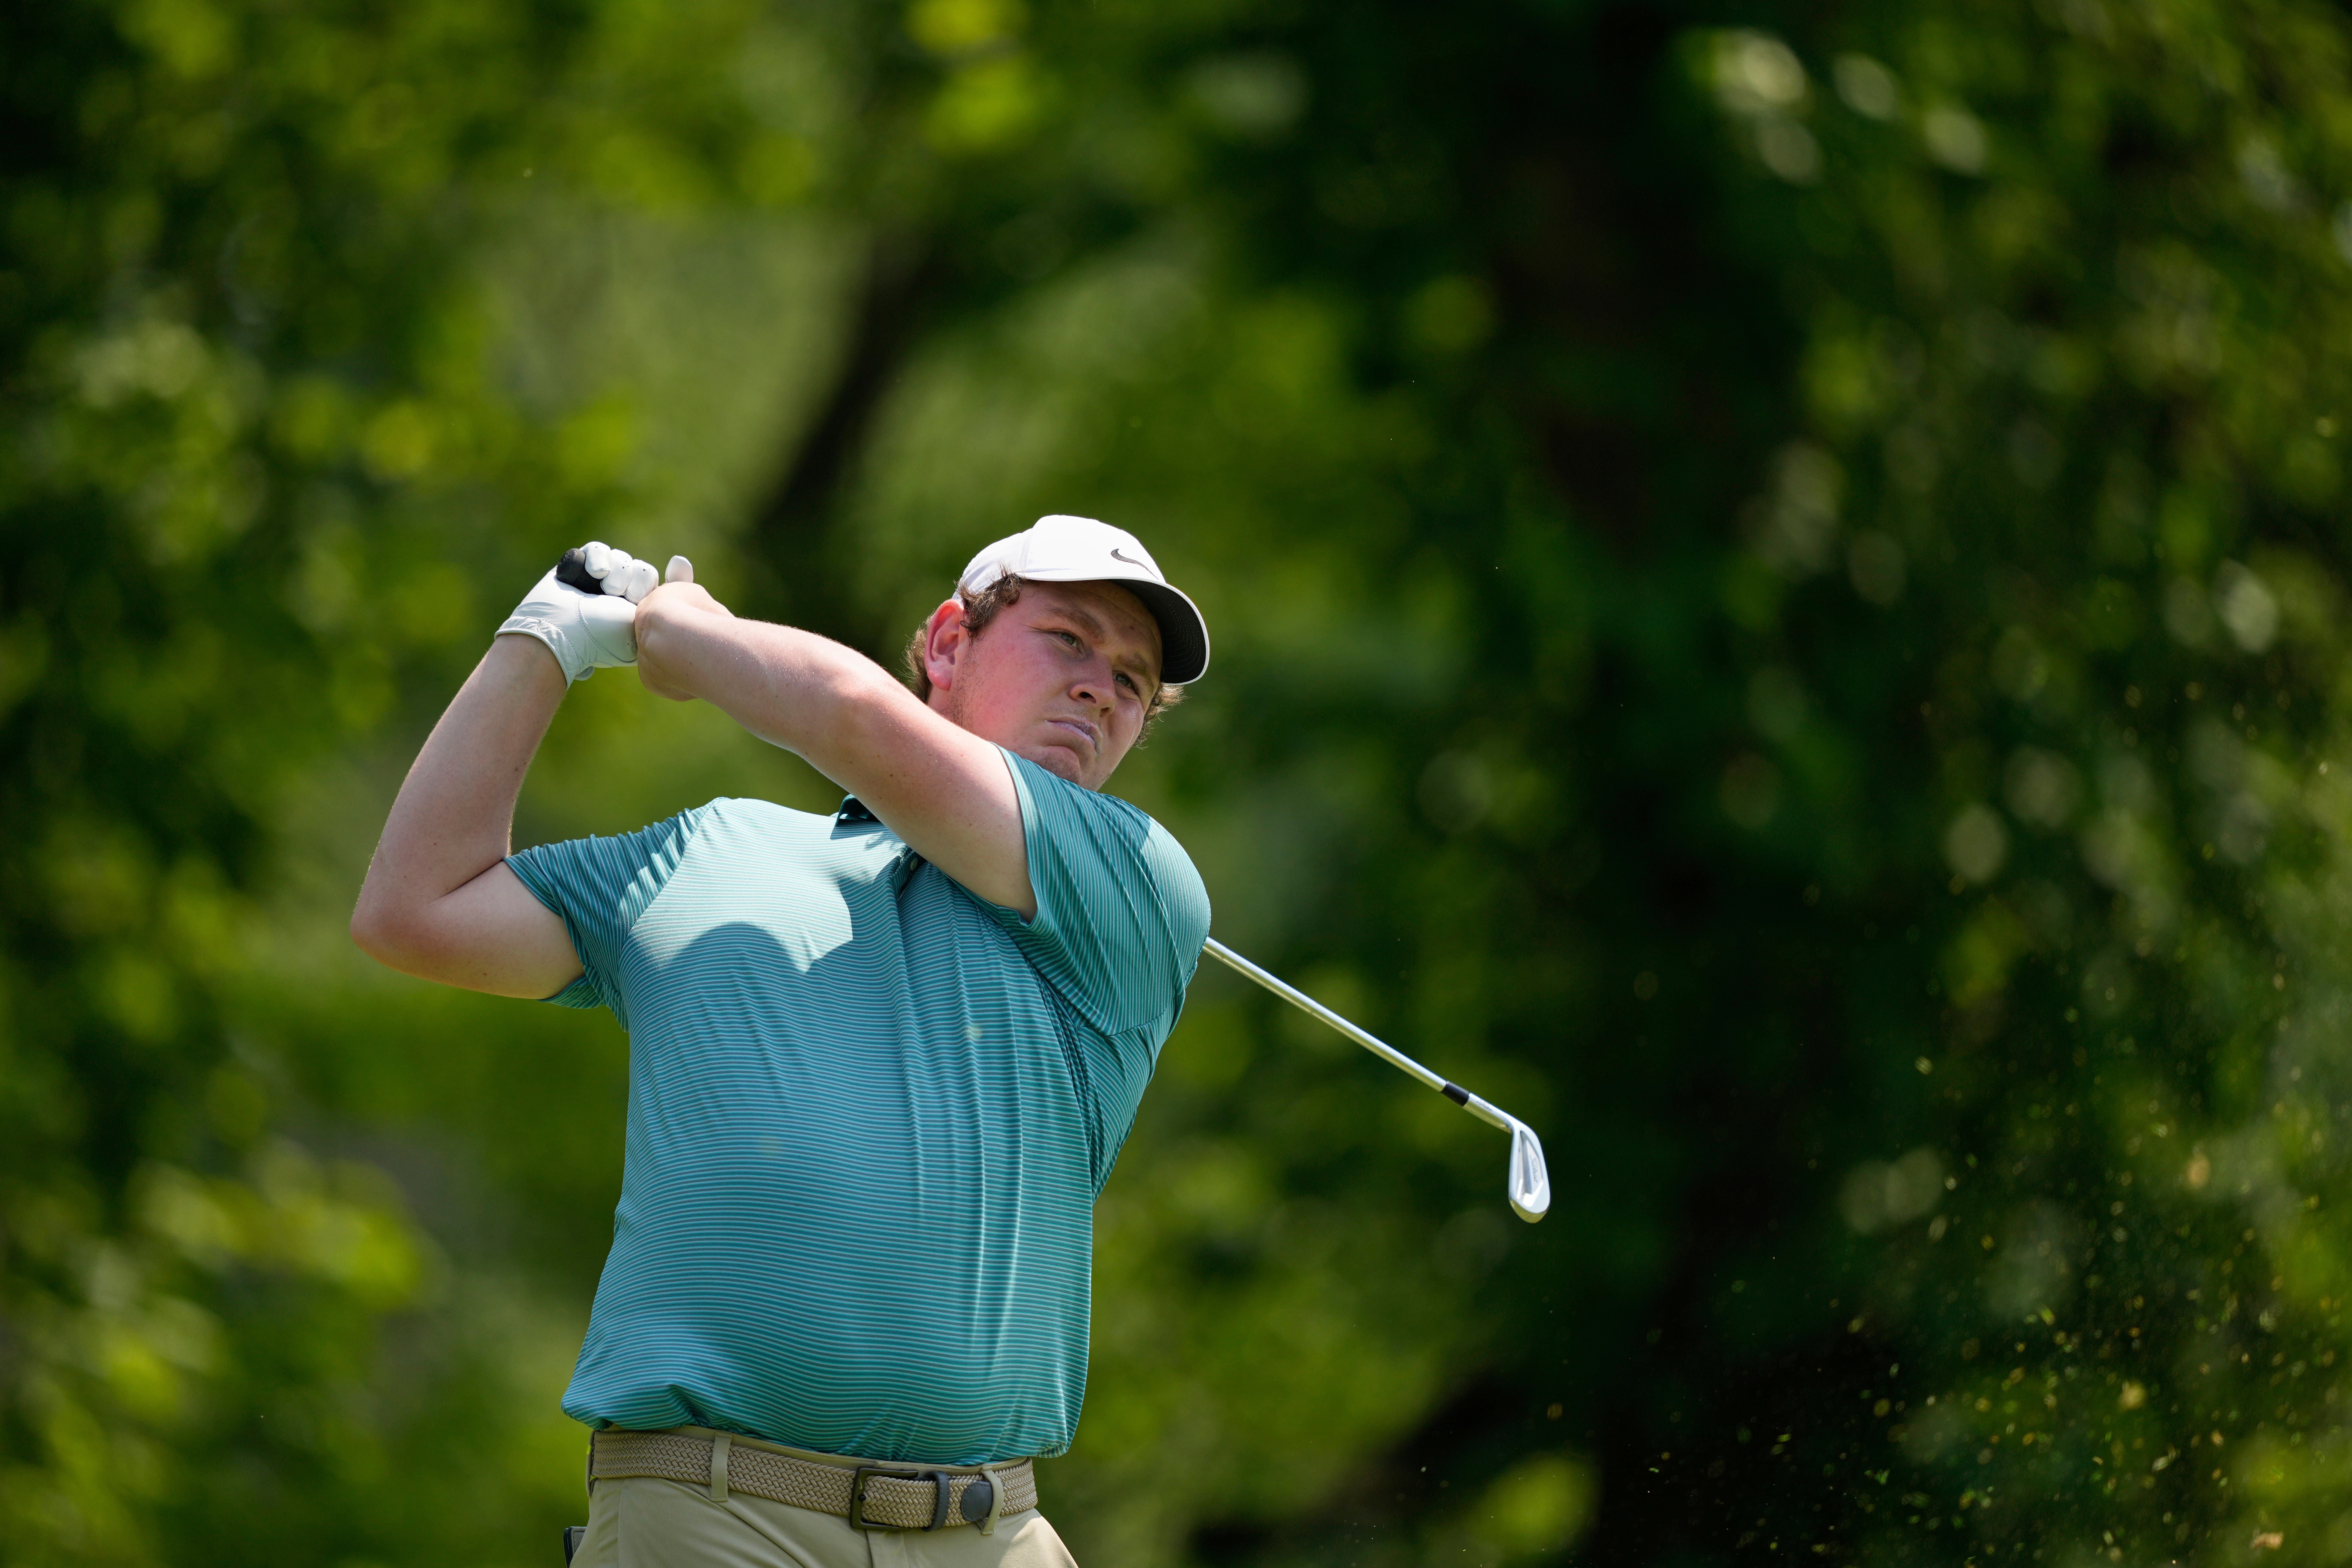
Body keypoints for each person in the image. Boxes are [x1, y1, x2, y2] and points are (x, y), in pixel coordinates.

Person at [350, 515, 1213, 1567]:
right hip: (715, 1514)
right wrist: (542, 644)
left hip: (993, 1536)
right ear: (948, 645)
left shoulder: (1135, 886)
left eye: (1133, 682)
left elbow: (851, 716)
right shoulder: (713, 849)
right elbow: (416, 909)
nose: (1101, 689)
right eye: (1070, 640)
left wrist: (689, 635)